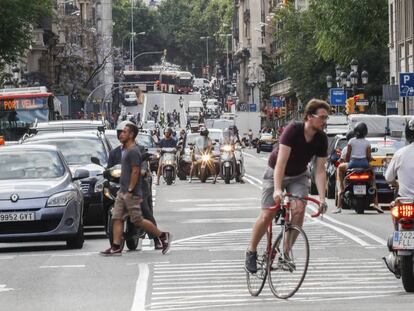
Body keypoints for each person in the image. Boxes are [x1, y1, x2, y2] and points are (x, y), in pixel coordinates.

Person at [245, 99, 329, 274]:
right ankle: (251, 251)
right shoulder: (293, 130)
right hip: (276, 171)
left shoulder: (321, 139)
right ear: (309, 117)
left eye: (326, 118)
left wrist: (322, 198)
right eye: (321, 117)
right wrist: (277, 189)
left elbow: (320, 171)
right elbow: (280, 165)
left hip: (299, 175)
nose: (324, 121)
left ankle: (285, 253)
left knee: (299, 210)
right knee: (268, 213)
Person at [100, 123, 171, 256]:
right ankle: (116, 246)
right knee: (116, 217)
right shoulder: (120, 151)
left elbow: (136, 171)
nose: (121, 134)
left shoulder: (134, 150)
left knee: (139, 218)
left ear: (131, 135)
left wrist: (130, 190)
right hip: (121, 190)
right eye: (120, 132)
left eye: (124, 132)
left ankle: (161, 236)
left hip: (131, 191)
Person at [383, 118, 414, 276]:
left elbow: (388, 177)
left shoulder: (400, 153)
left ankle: (396, 252)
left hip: (404, 201)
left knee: (395, 211)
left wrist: (396, 183)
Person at [344, 122, 382, 213]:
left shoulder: (351, 141)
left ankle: (342, 191)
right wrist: (370, 159)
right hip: (364, 164)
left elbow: (348, 155)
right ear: (365, 132)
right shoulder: (367, 142)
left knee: (344, 175)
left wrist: (347, 161)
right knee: (372, 179)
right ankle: (376, 203)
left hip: (352, 164)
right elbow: (368, 157)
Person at [333, 130, 354, 213]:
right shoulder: (365, 144)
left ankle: (339, 206)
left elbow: (341, 161)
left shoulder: (346, 148)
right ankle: (375, 202)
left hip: (350, 167)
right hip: (363, 167)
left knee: (340, 186)